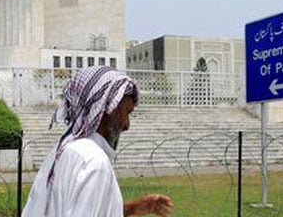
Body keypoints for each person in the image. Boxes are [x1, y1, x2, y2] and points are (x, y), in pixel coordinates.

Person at [23, 66, 174, 217]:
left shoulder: (61, 150)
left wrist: (131, 209)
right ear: (107, 107)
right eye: (126, 113)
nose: (127, 125)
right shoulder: (95, 162)